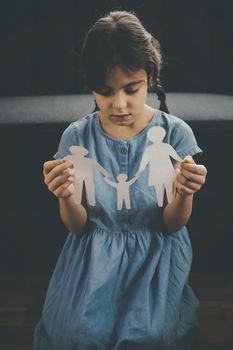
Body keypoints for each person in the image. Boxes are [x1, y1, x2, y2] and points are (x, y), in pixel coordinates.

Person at [33, 10, 207, 350]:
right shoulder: (77, 137)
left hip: (155, 256)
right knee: (79, 336)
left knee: (149, 337)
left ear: (151, 78)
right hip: (93, 259)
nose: (120, 104)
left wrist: (185, 193)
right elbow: (78, 226)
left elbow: (172, 225)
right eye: (105, 91)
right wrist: (65, 195)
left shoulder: (176, 133)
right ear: (91, 86)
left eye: (132, 88)